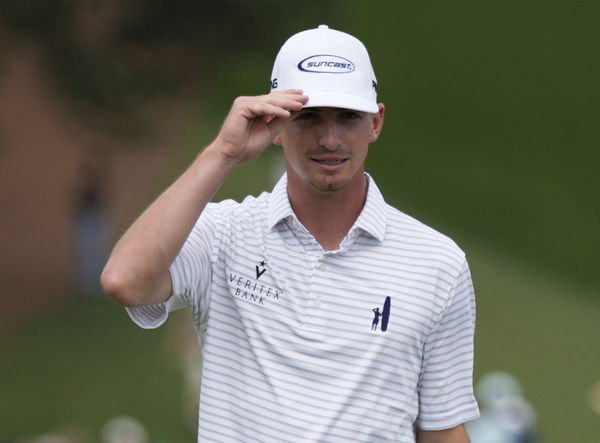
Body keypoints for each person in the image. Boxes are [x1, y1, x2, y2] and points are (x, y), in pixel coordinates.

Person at [101, 24, 479, 442]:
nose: (330, 139)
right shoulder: (222, 234)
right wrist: (222, 153)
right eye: (309, 117)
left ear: (376, 122)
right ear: (276, 124)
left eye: (348, 117)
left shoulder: (439, 263)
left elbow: (443, 431)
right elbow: (125, 281)